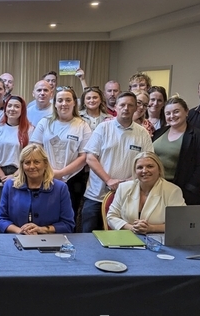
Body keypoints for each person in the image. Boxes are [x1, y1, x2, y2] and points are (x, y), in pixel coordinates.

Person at [82, 92, 154, 232]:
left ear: (135, 108)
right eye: (122, 105)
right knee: (87, 239)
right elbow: (90, 158)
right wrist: (109, 180)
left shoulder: (142, 133)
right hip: (96, 196)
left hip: (127, 198)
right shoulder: (103, 128)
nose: (126, 108)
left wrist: (127, 182)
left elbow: (148, 162)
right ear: (115, 107)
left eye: (130, 105)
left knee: (122, 243)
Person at [30, 86, 91, 218]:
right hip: (44, 176)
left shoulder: (82, 125)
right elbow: (35, 149)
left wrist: (61, 173)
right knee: (42, 215)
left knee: (68, 216)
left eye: (68, 100)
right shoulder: (45, 123)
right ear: (55, 103)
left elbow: (83, 156)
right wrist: (49, 172)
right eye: (60, 100)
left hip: (72, 179)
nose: (64, 104)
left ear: (74, 102)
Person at [0, 144, 74, 234]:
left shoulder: (60, 188)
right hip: (16, 239)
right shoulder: (10, 186)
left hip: (49, 241)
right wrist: (21, 231)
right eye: (27, 163)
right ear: (22, 166)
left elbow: (68, 224)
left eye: (36, 162)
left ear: (45, 164)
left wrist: (41, 229)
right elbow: (1, 220)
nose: (32, 166)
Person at [152, 96, 200, 205]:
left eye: (176, 112)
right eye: (168, 113)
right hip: (155, 189)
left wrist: (190, 188)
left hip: (182, 191)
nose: (172, 116)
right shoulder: (158, 133)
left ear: (186, 112)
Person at [106, 152, 186, 232]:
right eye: (140, 167)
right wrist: (132, 228)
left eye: (150, 166)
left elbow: (180, 223)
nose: (144, 171)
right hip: (127, 237)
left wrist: (151, 228)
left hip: (159, 240)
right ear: (135, 171)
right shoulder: (123, 188)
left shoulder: (172, 191)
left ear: (159, 169)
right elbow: (111, 216)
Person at [0, 96, 33, 215]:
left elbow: (29, 157)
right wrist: (2, 176)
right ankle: (0, 234)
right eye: (9, 106)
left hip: (21, 173)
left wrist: (14, 176)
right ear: (5, 108)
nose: (12, 109)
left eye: (17, 106)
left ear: (22, 110)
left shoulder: (29, 130)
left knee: (18, 209)